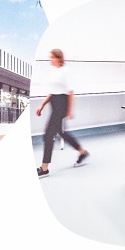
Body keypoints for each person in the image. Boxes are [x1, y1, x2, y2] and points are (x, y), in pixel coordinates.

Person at [33, 48, 88, 178]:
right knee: (61, 132)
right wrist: (42, 104)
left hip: (61, 104)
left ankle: (44, 167)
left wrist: (69, 110)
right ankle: (83, 152)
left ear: (58, 58)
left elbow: (70, 92)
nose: (50, 60)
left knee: (48, 135)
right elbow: (52, 92)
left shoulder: (66, 71)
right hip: (54, 102)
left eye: (51, 57)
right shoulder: (54, 72)